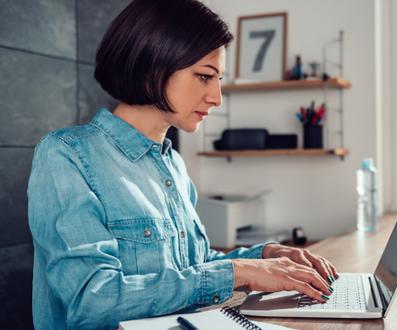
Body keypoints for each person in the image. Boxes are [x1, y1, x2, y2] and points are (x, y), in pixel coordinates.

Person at [27, 0, 338, 328]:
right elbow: (91, 299)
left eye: (218, 79)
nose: (217, 97)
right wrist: (239, 272)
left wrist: (264, 257)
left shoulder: (172, 163)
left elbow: (194, 267)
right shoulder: (65, 156)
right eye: (205, 76)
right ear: (152, 66)